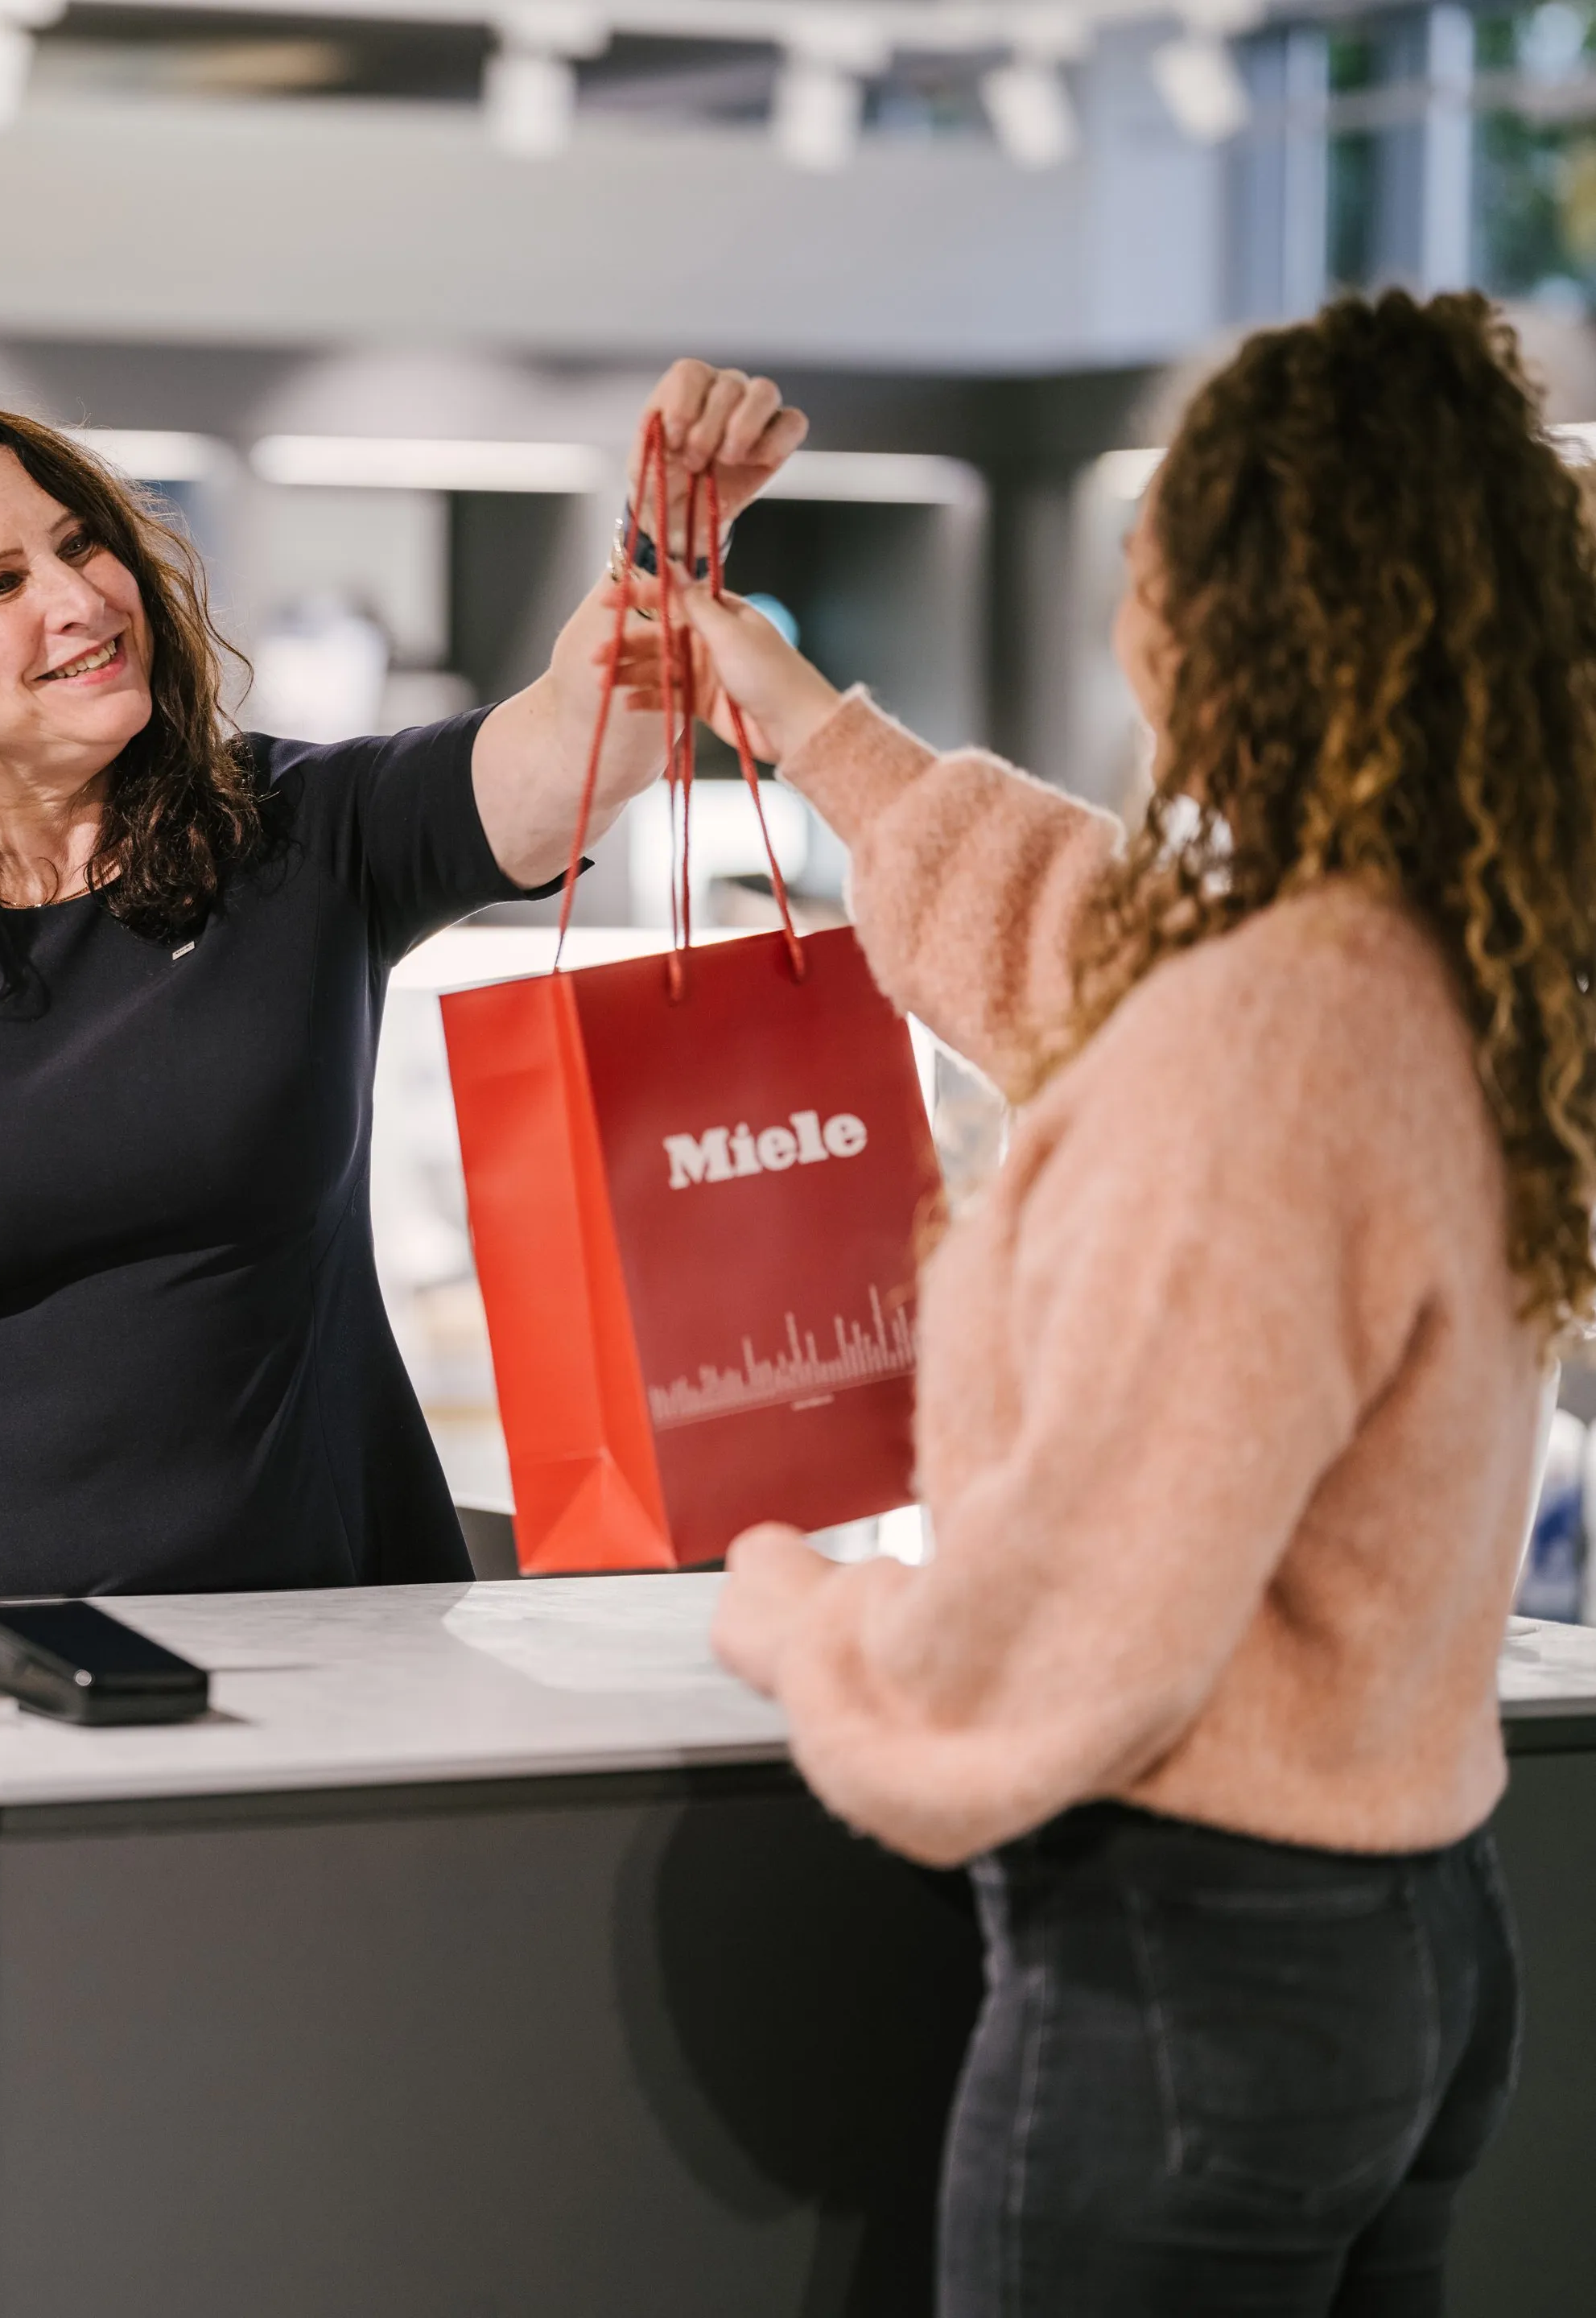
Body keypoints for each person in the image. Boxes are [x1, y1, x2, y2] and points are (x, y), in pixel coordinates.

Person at [630, 292, 1594, 2311]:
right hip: (1412, 1946)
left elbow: (1060, 1637)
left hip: (1193, 1989)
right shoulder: (1431, 975)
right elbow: (1088, 938)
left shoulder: (1265, 1040)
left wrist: (801, 1613)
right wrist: (800, 714)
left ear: (1239, 610)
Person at [0, 366, 806, 1615]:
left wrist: (659, 554)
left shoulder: (300, 835)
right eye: (0, 584)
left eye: (82, 545)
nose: (82, 598)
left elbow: (579, 741)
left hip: (341, 1633)